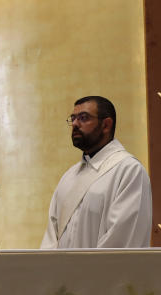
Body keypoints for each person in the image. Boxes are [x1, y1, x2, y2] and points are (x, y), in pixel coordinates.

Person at [40, 96, 152, 249]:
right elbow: (52, 236)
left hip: (103, 272)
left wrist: (85, 272)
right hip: (62, 272)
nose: (74, 124)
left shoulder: (128, 171)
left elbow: (123, 240)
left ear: (106, 125)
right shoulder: (69, 176)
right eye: (73, 118)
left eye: (83, 118)